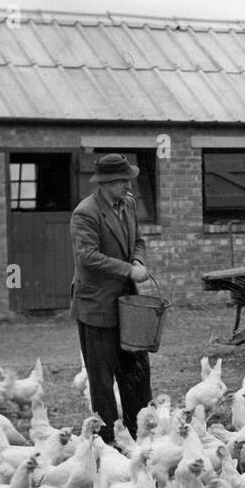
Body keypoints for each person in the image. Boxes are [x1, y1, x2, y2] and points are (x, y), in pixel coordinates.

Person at [71, 153, 154, 444]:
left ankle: (140, 435)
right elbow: (88, 257)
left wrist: (138, 260)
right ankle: (106, 443)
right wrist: (129, 269)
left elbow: (139, 240)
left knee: (137, 372)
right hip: (96, 306)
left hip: (127, 304)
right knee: (103, 381)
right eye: (122, 180)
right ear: (106, 182)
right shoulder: (86, 213)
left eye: (128, 179)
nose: (128, 184)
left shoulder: (128, 204)